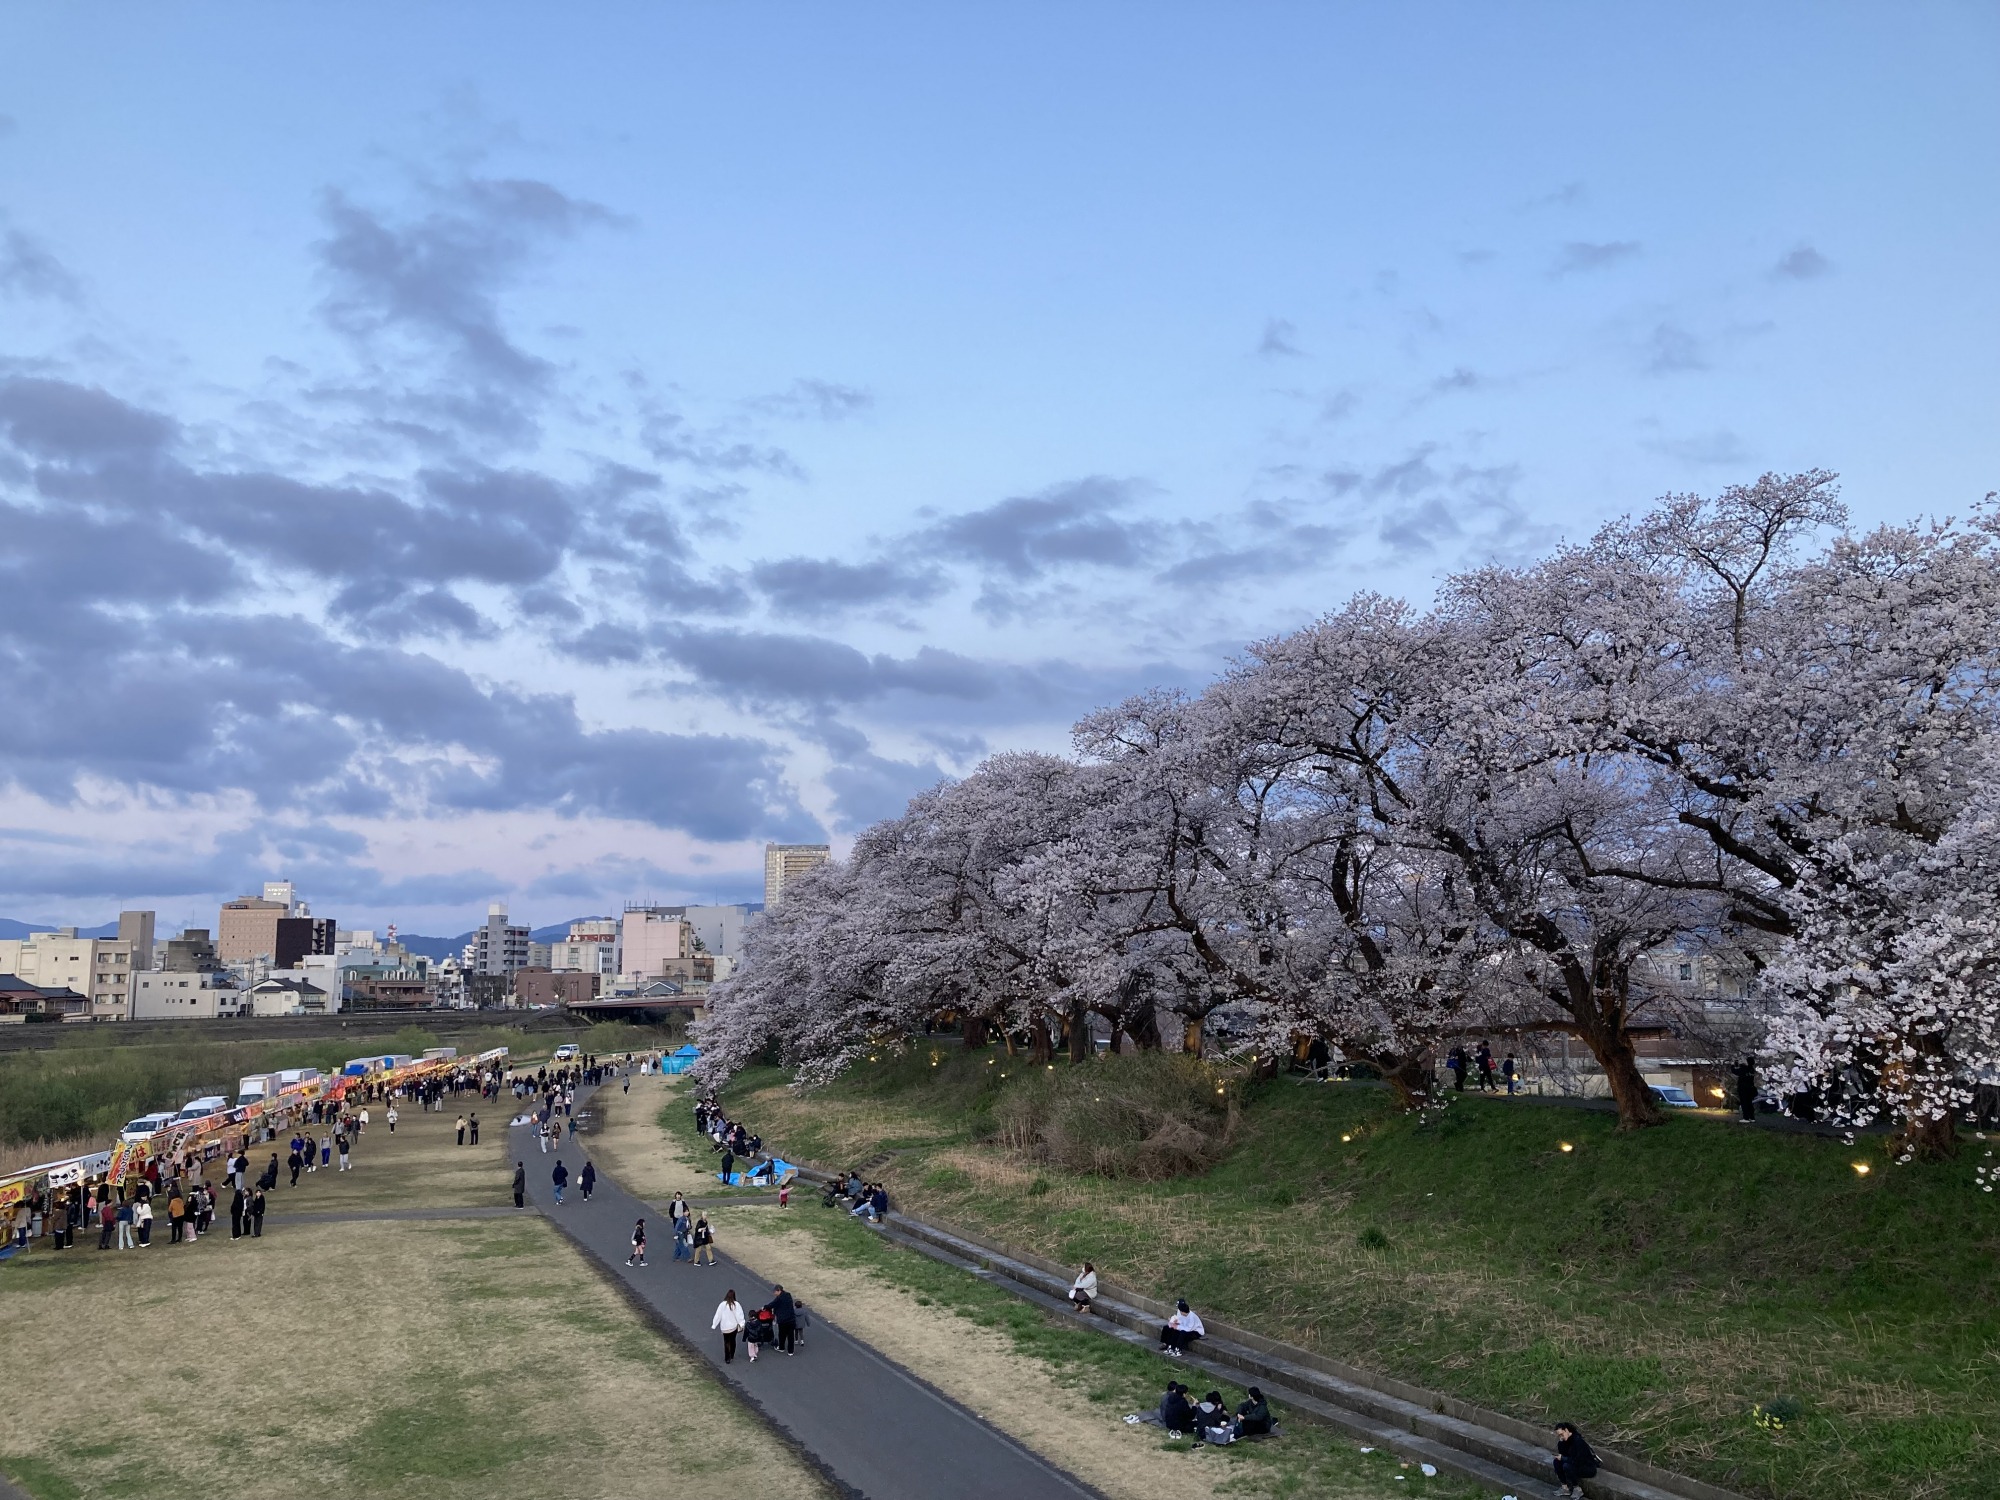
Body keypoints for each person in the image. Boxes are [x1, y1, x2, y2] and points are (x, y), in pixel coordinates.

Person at [1552, 1422, 1600, 1498]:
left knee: (1566, 1466)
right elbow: (1563, 1453)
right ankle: (1565, 1488)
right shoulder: (1565, 1441)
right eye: (1559, 1435)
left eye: (1562, 1434)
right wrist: (1561, 1443)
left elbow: (1578, 1460)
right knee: (1557, 1462)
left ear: (1567, 1430)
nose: (1561, 1437)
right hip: (1574, 1463)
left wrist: (1564, 1458)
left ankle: (1577, 1489)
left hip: (1587, 1467)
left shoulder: (1578, 1442)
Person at [713, 1289, 747, 1363]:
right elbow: (739, 1315)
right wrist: (742, 1324)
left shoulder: (722, 1305)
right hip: (733, 1327)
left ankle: (727, 1358)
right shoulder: (736, 1304)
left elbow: (718, 1315)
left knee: (726, 1342)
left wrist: (714, 1324)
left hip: (724, 1327)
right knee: (733, 1340)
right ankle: (732, 1354)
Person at [766, 1284, 798, 1355]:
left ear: (779, 1290)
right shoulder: (788, 1295)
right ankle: (790, 1351)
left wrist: (765, 1307)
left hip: (783, 1320)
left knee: (782, 1334)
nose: (774, 1293)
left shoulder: (779, 1298)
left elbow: (772, 1304)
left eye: (775, 1292)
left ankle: (781, 1347)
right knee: (790, 1336)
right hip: (791, 1319)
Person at [1736, 1054, 1759, 1123]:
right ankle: (1752, 1117)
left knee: (1744, 1103)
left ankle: (1746, 1118)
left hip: (1743, 1089)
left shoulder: (1744, 1069)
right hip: (1750, 1088)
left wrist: (1733, 1065)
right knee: (1749, 1103)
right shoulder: (1752, 1070)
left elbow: (1735, 1071)